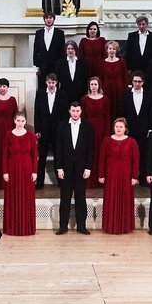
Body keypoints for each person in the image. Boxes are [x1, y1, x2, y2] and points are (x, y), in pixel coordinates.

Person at [55, 101, 94, 235]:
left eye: (77, 111)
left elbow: (90, 149)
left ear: (81, 111)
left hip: (81, 169)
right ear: (69, 111)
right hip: (65, 169)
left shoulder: (88, 126)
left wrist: (88, 168)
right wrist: (59, 168)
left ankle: (81, 226)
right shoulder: (61, 126)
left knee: (80, 198)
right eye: (73, 111)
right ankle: (63, 226)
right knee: (64, 198)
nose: (75, 113)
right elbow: (58, 149)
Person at [98, 119, 140, 234]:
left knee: (125, 199)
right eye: (117, 126)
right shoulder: (106, 141)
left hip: (126, 175)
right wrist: (101, 174)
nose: (119, 129)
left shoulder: (132, 142)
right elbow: (101, 159)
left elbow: (136, 160)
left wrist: (134, 176)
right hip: (111, 174)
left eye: (121, 126)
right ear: (113, 127)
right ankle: (111, 226)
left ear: (125, 128)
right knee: (111, 199)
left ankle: (125, 227)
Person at [3, 110, 38, 235]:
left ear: (25, 122)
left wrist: (34, 171)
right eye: (18, 120)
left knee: (26, 197)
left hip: (27, 169)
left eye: (22, 121)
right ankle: (12, 227)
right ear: (14, 121)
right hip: (12, 168)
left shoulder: (30, 135)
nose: (20, 123)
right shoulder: (8, 135)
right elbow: (4, 155)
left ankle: (26, 227)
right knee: (12, 196)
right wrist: (5, 172)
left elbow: (34, 155)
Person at [34, 74, 67, 188]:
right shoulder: (40, 93)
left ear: (56, 82)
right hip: (43, 130)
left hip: (58, 130)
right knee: (42, 156)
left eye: (53, 83)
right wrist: (37, 129)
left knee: (59, 156)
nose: (51, 85)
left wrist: (63, 131)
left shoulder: (62, 94)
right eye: (49, 83)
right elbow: (37, 112)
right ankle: (39, 182)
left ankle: (61, 181)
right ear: (46, 82)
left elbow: (64, 114)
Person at [79, 77, 112, 187]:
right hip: (88, 127)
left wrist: (107, 133)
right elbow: (82, 117)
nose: (93, 86)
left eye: (95, 84)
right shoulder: (84, 99)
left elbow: (107, 117)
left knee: (100, 153)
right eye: (91, 84)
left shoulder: (105, 99)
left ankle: (100, 179)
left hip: (101, 127)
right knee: (89, 152)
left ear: (99, 86)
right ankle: (89, 180)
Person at [121, 72, 152, 178]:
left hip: (144, 130)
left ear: (143, 82)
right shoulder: (125, 94)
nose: (137, 84)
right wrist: (123, 129)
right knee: (128, 154)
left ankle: (143, 178)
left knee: (143, 154)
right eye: (135, 81)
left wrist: (150, 129)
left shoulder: (149, 95)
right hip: (129, 130)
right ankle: (129, 176)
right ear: (131, 82)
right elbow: (122, 113)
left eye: (139, 81)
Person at [33, 13, 66, 80]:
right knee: (42, 87)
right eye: (47, 18)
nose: (49, 20)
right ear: (44, 20)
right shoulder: (39, 33)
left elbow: (62, 51)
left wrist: (60, 66)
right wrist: (36, 66)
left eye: (50, 18)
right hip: (42, 67)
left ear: (54, 20)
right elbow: (36, 50)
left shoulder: (60, 33)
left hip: (55, 66)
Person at [98, 40, 128, 107]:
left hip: (119, 88)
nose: (111, 51)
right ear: (107, 50)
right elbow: (100, 78)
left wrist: (125, 90)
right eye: (110, 48)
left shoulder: (121, 62)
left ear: (116, 50)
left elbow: (124, 77)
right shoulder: (102, 63)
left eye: (113, 49)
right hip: (106, 88)